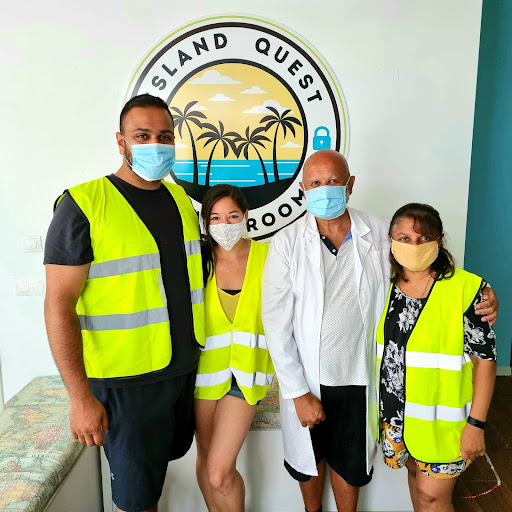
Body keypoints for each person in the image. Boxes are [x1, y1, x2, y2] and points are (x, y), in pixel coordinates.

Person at [261, 149, 498, 512]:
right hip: (309, 380)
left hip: (361, 376)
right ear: (303, 190)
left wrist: (482, 295)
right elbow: (276, 323)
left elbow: (424, 270)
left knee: (351, 464)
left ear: (350, 184)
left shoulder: (380, 232)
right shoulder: (286, 242)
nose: (325, 189)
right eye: (316, 183)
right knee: (309, 460)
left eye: (334, 181)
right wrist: (296, 392)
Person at [43, 94, 204, 512]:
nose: (155, 145)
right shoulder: (82, 205)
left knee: (153, 484)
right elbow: (59, 304)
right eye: (142, 136)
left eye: (164, 136)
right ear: (121, 141)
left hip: (183, 372)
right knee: (136, 502)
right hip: (126, 385)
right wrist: (80, 398)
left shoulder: (180, 201)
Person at [376, 203, 497, 512]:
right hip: (397, 416)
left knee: (432, 497)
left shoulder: (467, 289)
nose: (414, 246)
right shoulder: (381, 284)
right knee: (415, 478)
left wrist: (476, 425)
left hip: (445, 423)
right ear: (391, 240)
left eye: (424, 238)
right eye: (404, 238)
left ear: (439, 240)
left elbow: (485, 361)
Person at [194, 184, 275, 512]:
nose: (224, 224)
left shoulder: (269, 257)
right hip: (203, 377)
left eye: (232, 216)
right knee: (205, 459)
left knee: (219, 471)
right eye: (215, 217)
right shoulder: (197, 260)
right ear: (206, 222)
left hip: (247, 376)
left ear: (245, 216)